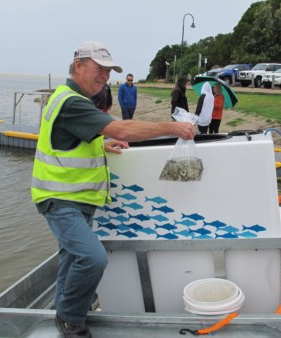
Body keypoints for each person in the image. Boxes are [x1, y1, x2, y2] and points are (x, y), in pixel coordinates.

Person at [31, 41, 195, 338]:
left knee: (71, 259)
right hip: (60, 200)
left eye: (108, 71)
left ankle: (62, 309)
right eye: (99, 69)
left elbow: (66, 141)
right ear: (78, 65)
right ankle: (69, 320)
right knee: (93, 258)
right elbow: (122, 128)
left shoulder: (72, 99)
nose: (105, 77)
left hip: (76, 200)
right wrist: (173, 128)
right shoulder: (72, 102)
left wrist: (101, 144)